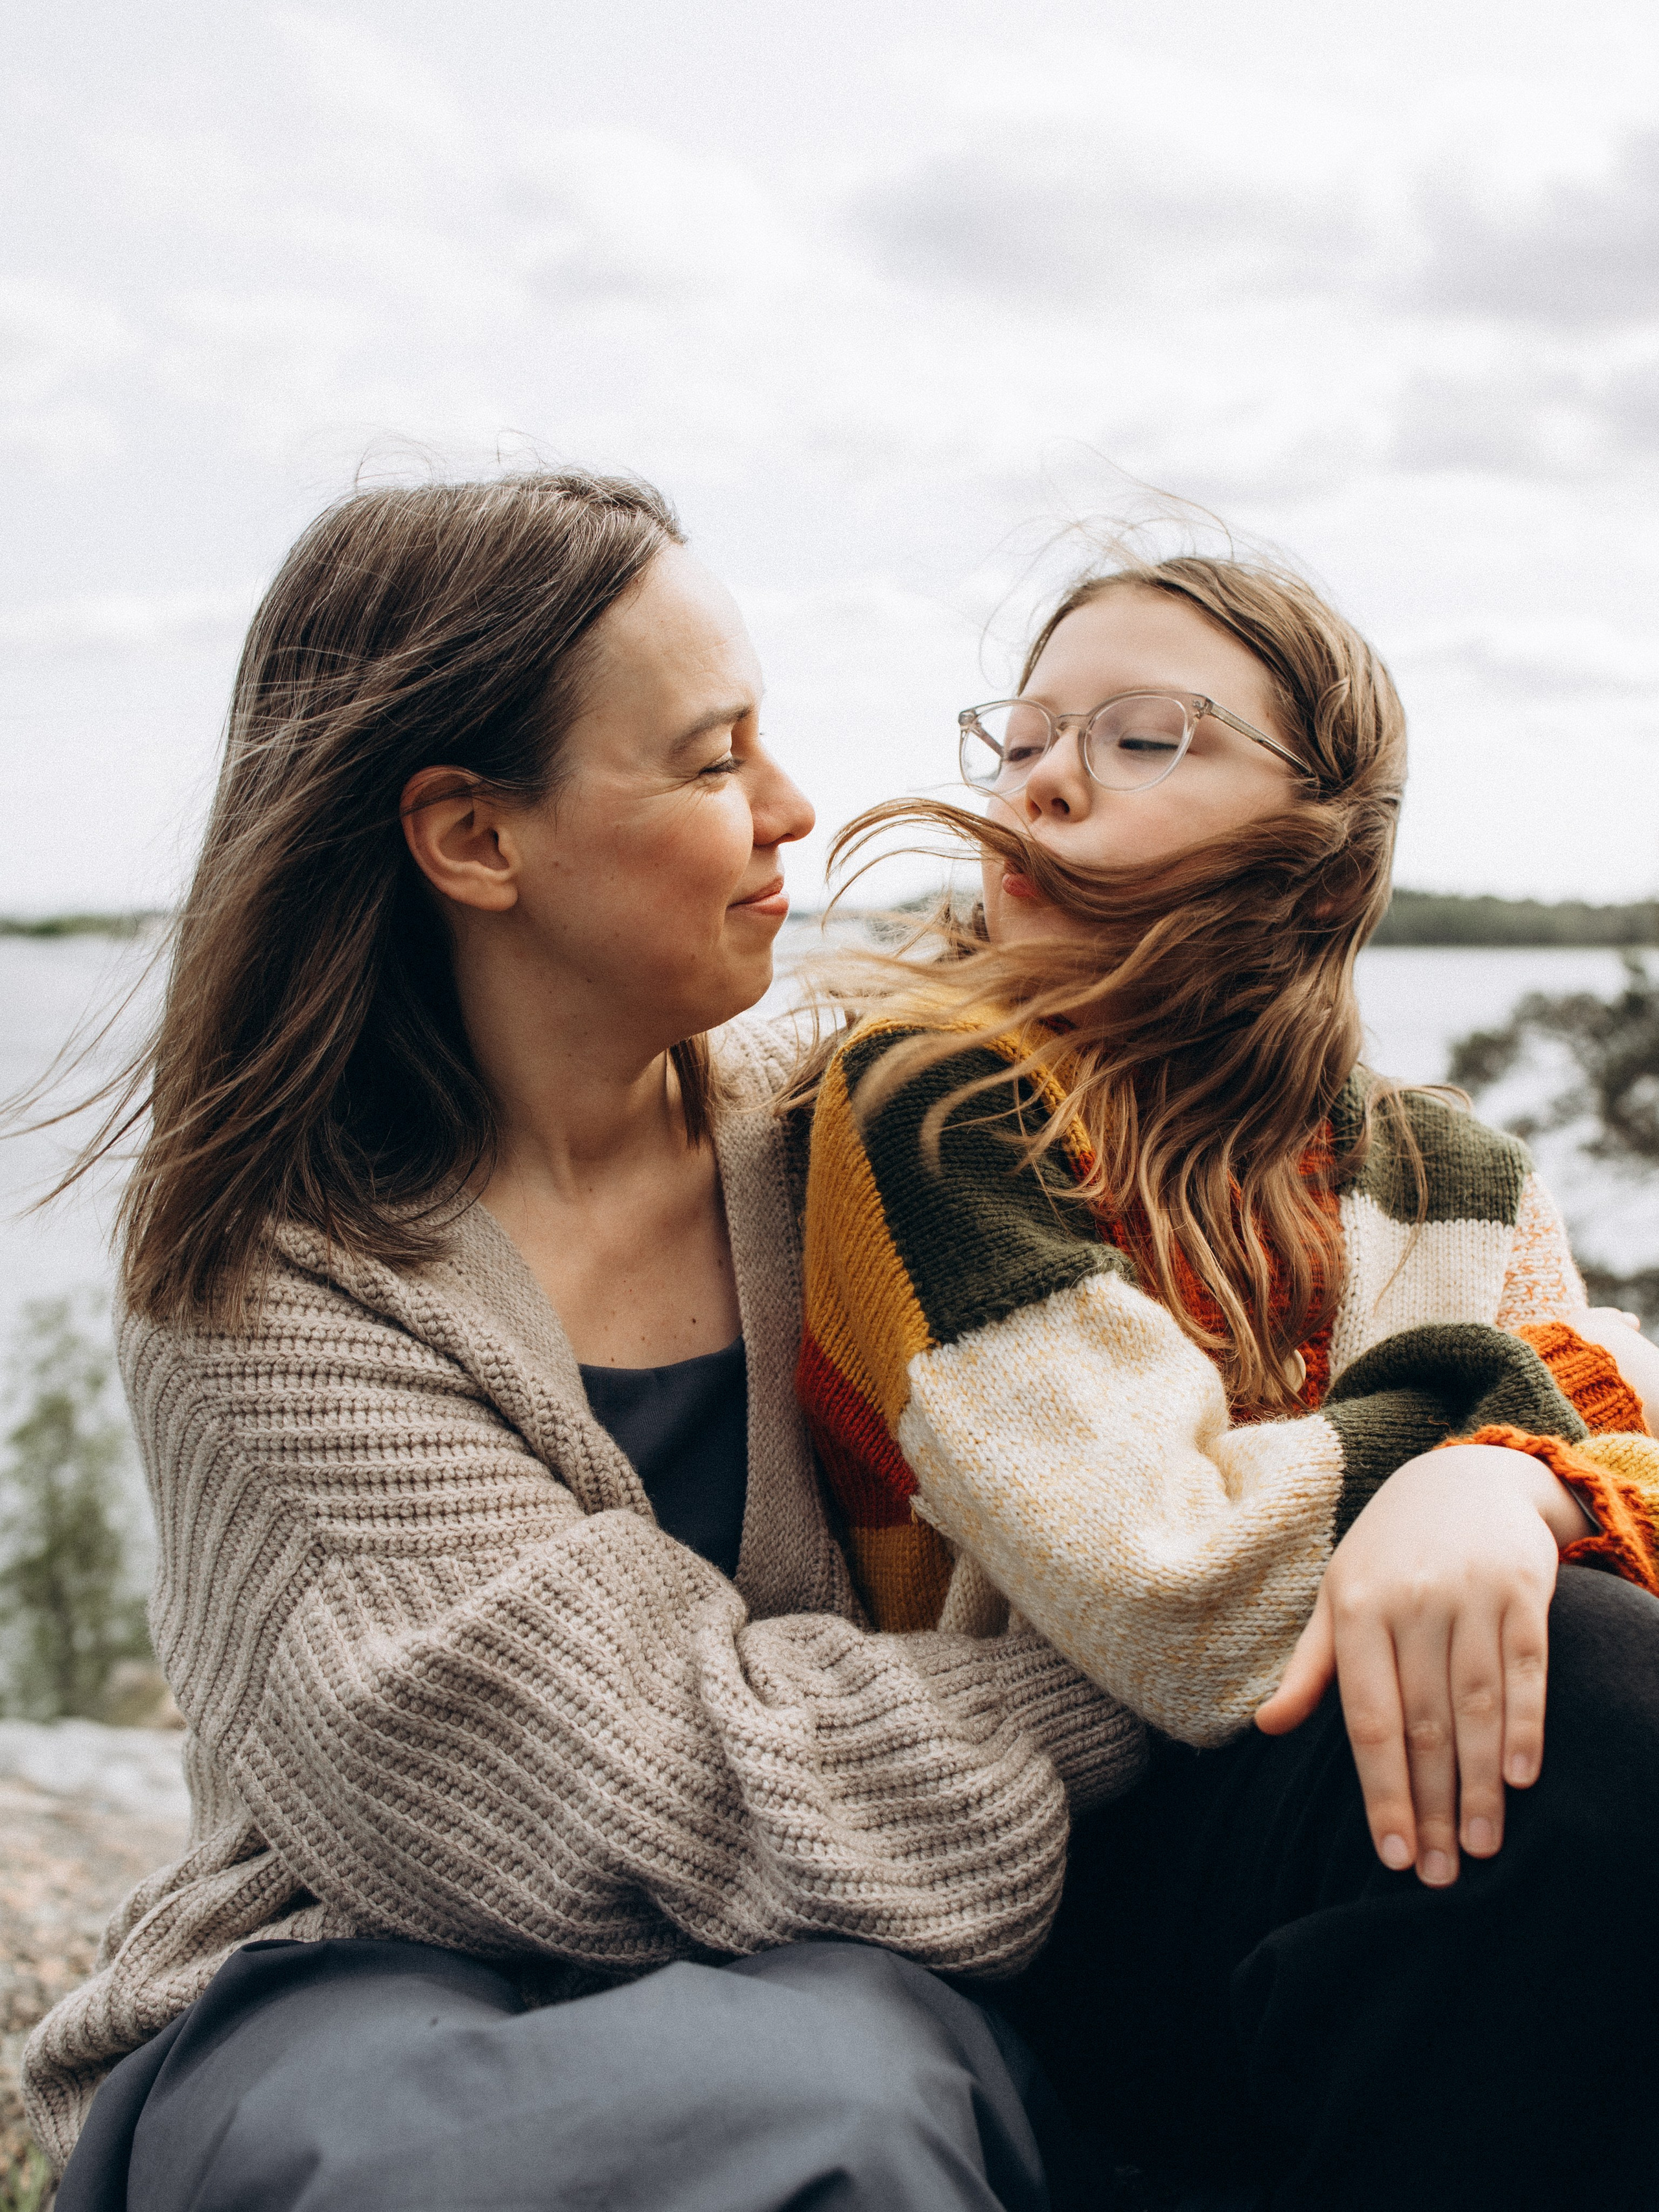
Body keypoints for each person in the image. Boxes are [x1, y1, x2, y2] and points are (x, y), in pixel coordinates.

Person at [26, 472, 1149, 2212]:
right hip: (351, 1990)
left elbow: (1307, 1231)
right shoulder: (266, 1280)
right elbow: (651, 1785)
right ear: (475, 838)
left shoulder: (864, 1138)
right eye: (711, 762)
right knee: (830, 2107)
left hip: (846, 1975)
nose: (792, 807)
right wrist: (1166, 1662)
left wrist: (1465, 1472)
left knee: (856, 2074)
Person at [795, 553, 1659, 2211]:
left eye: (1139, 739)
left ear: (1322, 852)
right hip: (1069, 1877)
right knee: (1593, 1694)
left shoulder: (1448, 1170)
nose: (1042, 782)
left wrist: (1506, 1478)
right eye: (1021, 738)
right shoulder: (933, 1107)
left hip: (1391, 1840)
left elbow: (1617, 1470)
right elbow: (1172, 1587)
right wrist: (1494, 1429)